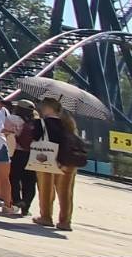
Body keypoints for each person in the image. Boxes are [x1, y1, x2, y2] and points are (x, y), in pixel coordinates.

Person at [33, 97, 85, 231]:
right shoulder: (68, 124)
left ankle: (46, 217)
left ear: (47, 108)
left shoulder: (43, 123)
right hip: (68, 161)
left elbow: (35, 137)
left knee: (46, 189)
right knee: (66, 192)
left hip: (48, 159)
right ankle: (65, 221)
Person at [8, 98, 38, 215]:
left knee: (14, 177)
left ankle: (16, 200)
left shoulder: (12, 119)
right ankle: (26, 206)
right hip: (32, 153)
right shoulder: (37, 121)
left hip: (17, 152)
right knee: (30, 181)